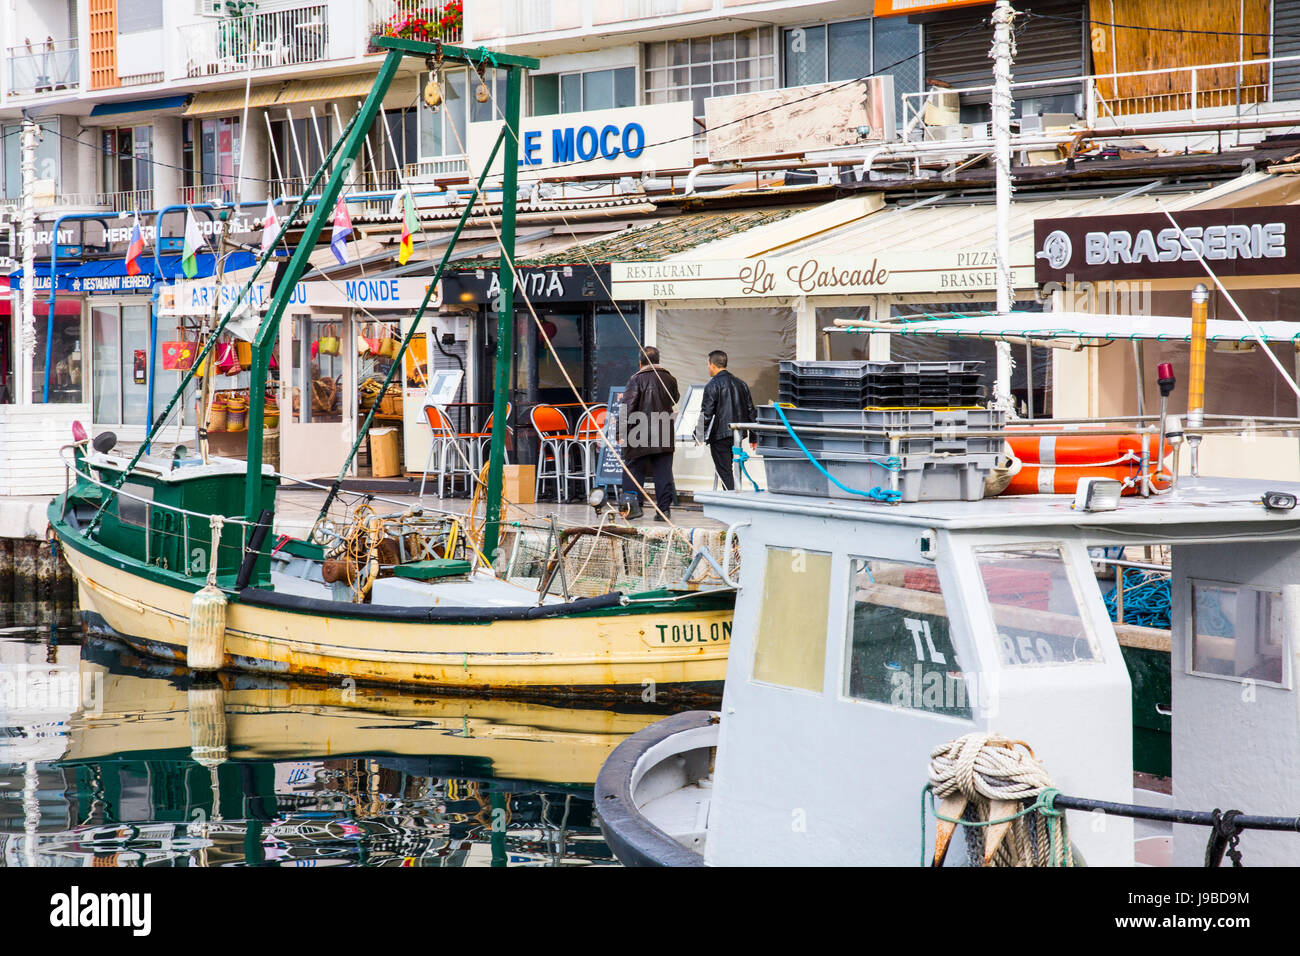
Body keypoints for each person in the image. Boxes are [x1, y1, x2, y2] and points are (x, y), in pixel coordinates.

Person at [620, 346, 679, 520]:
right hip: (664, 431)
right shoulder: (670, 378)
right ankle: (663, 511)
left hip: (639, 433)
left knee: (633, 471)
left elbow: (627, 408)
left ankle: (633, 509)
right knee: (663, 472)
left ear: (640, 362)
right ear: (658, 360)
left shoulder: (635, 380)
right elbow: (674, 398)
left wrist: (620, 432)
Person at [697, 349, 756, 491]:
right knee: (736, 467)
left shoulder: (712, 385)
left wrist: (698, 434)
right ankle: (737, 496)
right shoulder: (741, 384)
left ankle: (732, 502)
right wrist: (754, 436)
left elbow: (706, 413)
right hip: (738, 435)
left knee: (725, 472)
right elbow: (751, 411)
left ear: (712, 365)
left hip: (720, 436)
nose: (708, 368)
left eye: (708, 364)